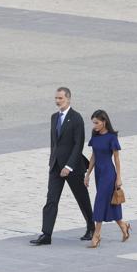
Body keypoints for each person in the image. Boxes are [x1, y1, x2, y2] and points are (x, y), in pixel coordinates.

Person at [30, 87, 95, 246]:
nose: (57, 101)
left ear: (68, 99)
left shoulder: (76, 118)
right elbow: (54, 143)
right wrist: (52, 161)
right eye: (56, 98)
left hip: (72, 168)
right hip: (55, 167)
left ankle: (91, 227)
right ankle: (46, 234)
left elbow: (78, 144)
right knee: (51, 200)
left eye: (60, 98)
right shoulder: (54, 117)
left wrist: (69, 166)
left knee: (82, 198)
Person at [84, 110, 130, 248]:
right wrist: (88, 174)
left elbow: (116, 158)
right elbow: (93, 156)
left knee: (99, 201)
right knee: (110, 203)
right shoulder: (95, 136)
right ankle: (124, 226)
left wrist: (119, 177)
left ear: (104, 122)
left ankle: (96, 235)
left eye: (97, 123)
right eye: (93, 123)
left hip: (109, 174)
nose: (94, 125)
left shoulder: (111, 137)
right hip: (99, 173)